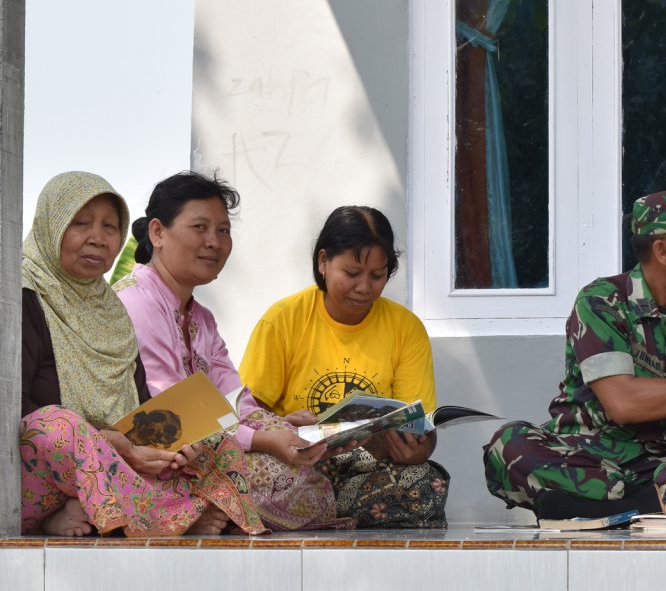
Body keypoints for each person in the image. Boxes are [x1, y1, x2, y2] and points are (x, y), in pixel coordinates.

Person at [483, 188, 666, 520]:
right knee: (509, 443)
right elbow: (623, 404)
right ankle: (641, 507)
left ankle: (610, 511)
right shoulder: (602, 302)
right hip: (590, 459)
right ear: (663, 251)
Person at [19, 171, 264, 536]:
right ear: (50, 227)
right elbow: (13, 415)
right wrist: (107, 443)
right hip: (36, 474)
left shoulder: (110, 311)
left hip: (115, 463)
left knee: (213, 441)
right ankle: (167, 519)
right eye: (81, 223)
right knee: (58, 425)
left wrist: (174, 444)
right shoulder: (21, 298)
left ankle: (95, 511)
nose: (98, 239)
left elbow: (139, 410)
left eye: (109, 227)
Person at [115, 172, 352, 531]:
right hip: (153, 456)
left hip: (202, 444)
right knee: (290, 478)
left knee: (302, 458)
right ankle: (189, 511)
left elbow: (233, 396)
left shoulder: (201, 318)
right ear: (158, 233)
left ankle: (219, 509)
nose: (214, 242)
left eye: (223, 231)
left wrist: (282, 427)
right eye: (200, 227)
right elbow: (173, 412)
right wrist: (263, 440)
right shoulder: (138, 300)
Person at [238, 206, 449, 528]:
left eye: (377, 275)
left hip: (366, 471)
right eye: (352, 273)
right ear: (323, 262)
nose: (364, 287)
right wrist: (282, 425)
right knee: (258, 480)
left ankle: (317, 513)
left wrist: (416, 450)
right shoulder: (283, 319)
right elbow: (247, 414)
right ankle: (330, 511)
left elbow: (419, 424)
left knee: (427, 483)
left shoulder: (406, 328)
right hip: (296, 466)